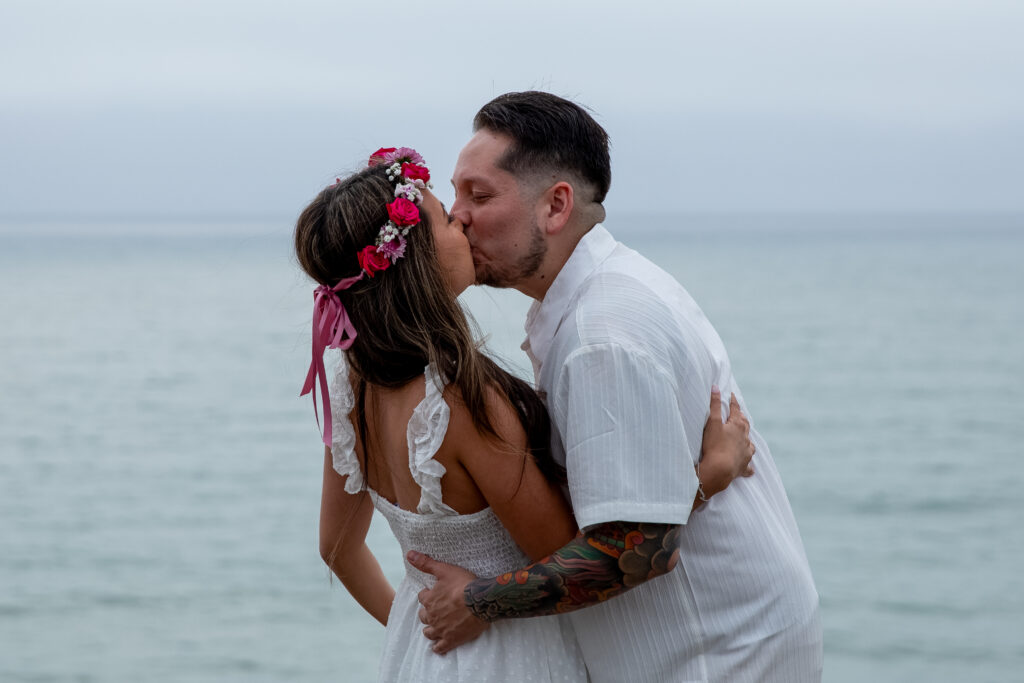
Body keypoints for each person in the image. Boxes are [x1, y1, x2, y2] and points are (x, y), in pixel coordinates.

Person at [295, 147, 755, 682]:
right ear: (417, 259)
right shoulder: (463, 402)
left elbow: (336, 549)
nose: (461, 222)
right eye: (446, 218)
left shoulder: (351, 384)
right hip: (511, 659)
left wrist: (418, 629)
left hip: (420, 660)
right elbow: (567, 555)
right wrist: (705, 480)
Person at [410, 93, 824, 683]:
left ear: (556, 206)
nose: (458, 217)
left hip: (713, 653)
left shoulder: (603, 333)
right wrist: (704, 481)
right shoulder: (596, 296)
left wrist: (478, 602)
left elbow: (637, 550)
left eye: (479, 196)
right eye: (456, 195)